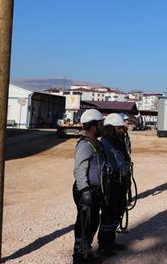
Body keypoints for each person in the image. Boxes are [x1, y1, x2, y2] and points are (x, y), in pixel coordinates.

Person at [72, 109, 106, 263]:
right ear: (93, 126)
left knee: (92, 222)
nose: (102, 126)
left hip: (95, 189)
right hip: (86, 190)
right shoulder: (85, 145)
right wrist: (85, 191)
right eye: (100, 124)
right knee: (84, 223)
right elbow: (79, 169)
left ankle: (87, 251)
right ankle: (79, 256)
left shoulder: (95, 142)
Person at [98, 113, 131, 257]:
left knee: (118, 213)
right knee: (108, 215)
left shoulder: (118, 141)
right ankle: (103, 245)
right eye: (118, 128)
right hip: (111, 184)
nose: (122, 131)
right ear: (110, 128)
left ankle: (111, 241)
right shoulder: (104, 143)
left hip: (120, 182)